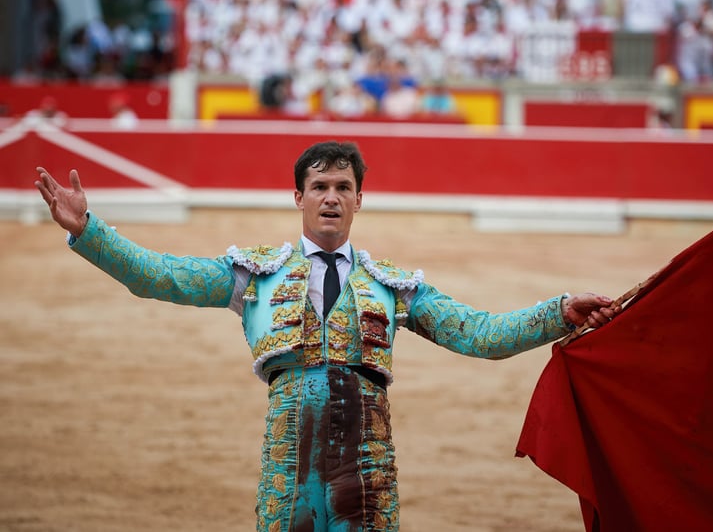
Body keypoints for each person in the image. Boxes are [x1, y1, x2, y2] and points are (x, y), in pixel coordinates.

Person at [34, 141, 619, 532]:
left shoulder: (393, 286)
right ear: (299, 197)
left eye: (342, 186)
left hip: (367, 464)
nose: (331, 197)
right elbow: (159, 277)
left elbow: (479, 333)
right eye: (319, 186)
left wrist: (559, 312)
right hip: (288, 460)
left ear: (360, 199)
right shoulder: (254, 274)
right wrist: (90, 230)